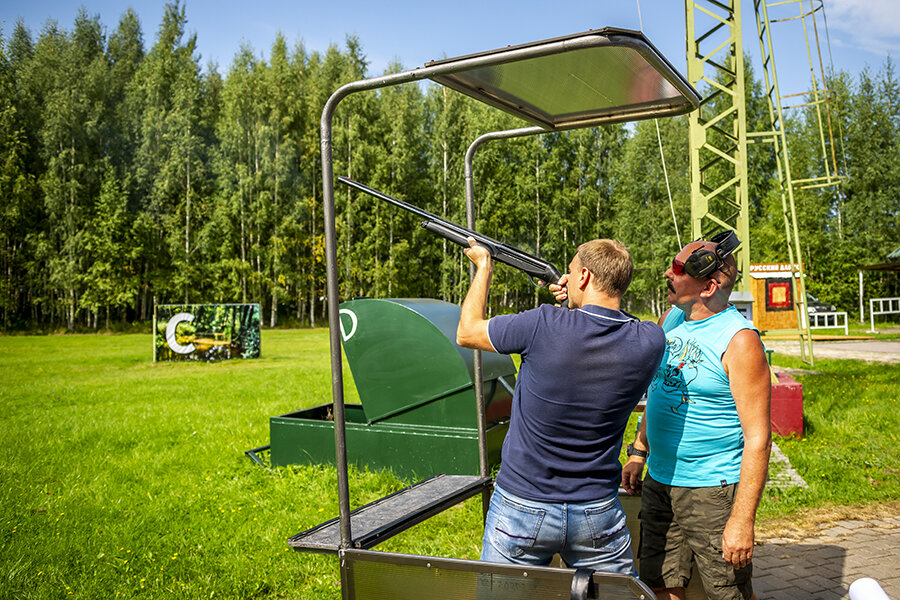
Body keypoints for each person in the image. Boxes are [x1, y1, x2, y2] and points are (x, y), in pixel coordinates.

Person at [456, 236, 665, 575]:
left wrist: (483, 267)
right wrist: (581, 300)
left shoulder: (542, 323)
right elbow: (615, 319)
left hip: (521, 506)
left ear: (583, 276)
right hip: (598, 511)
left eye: (570, 272)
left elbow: (467, 332)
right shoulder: (649, 341)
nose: (564, 279)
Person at [621, 232, 772, 600]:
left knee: (727, 593)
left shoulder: (740, 341)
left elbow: (758, 439)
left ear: (708, 286)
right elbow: (660, 390)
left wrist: (741, 520)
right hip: (660, 480)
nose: (666, 274)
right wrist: (640, 450)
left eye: (677, 268)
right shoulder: (671, 319)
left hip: (711, 491)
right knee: (660, 584)